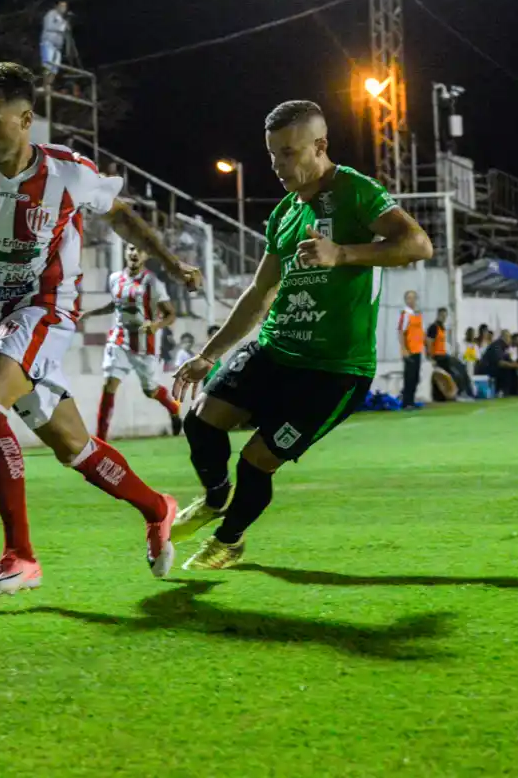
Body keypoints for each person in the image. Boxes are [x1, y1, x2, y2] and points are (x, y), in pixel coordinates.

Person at [0, 61, 202, 595]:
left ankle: (20, 556)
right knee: (73, 447)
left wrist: (171, 262)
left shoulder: (68, 172)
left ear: (24, 120)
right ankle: (157, 508)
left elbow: (121, 215)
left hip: (45, 308)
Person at [170, 99, 432, 570]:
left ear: (320, 145)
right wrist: (208, 355)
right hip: (275, 350)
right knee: (201, 420)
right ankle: (214, 497)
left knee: (257, 459)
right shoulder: (285, 213)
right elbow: (259, 292)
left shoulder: (355, 190)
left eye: (289, 153)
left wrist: (343, 254)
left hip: (334, 370)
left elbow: (417, 244)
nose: (278, 165)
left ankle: (229, 540)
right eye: (273, 155)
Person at [81, 242, 182, 441]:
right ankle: (100, 440)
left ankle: (173, 408)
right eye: (131, 248)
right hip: (119, 338)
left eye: (140, 249)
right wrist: (90, 313)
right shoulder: (115, 278)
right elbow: (115, 305)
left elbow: (170, 314)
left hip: (144, 343)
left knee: (150, 390)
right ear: (125, 252)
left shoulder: (152, 282)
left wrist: (156, 326)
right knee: (109, 384)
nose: (135, 253)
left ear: (146, 256)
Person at [427, 306, 474, 398]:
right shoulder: (434, 327)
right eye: (442, 316)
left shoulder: (442, 328)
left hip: (443, 354)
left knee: (461, 367)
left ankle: (468, 391)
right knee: (457, 369)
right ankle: (463, 392)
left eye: (445, 316)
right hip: (438, 356)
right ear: (438, 315)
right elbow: (429, 342)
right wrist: (431, 358)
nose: (444, 318)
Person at [397, 289, 424, 408]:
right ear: (405, 300)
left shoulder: (417, 314)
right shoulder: (405, 314)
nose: (411, 300)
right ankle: (406, 402)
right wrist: (404, 349)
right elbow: (401, 332)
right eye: (409, 298)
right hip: (410, 350)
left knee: (416, 378)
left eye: (413, 298)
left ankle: (411, 401)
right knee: (409, 377)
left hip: (418, 349)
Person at [477, 329, 518, 397]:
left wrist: (516, 365)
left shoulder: (504, 348)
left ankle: (512, 392)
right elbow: (500, 363)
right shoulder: (497, 346)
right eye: (509, 338)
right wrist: (516, 365)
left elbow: (508, 360)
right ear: (505, 338)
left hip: (492, 369)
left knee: (511, 368)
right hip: (486, 370)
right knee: (507, 369)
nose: (510, 340)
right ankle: (505, 392)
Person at [40, 1, 69, 87]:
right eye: (62, 6)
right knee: (47, 65)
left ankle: (49, 85)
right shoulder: (51, 14)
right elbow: (48, 26)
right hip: (48, 42)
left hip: (58, 46)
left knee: (55, 68)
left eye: (65, 7)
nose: (63, 8)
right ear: (57, 6)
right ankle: (45, 84)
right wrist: (60, 28)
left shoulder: (63, 19)